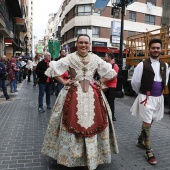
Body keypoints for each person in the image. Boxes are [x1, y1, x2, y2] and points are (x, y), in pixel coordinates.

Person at [41, 34, 119, 170]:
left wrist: (100, 81)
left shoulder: (95, 58)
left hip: (93, 94)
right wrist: (64, 81)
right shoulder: (70, 58)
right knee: (70, 120)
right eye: (81, 42)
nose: (83, 45)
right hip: (72, 92)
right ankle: (70, 156)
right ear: (76, 44)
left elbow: (111, 72)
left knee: (95, 121)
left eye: (86, 43)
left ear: (90, 44)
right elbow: (53, 70)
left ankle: (92, 155)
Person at [130, 39, 169, 165]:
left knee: (150, 121)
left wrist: (159, 93)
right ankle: (148, 150)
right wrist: (142, 93)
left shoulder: (165, 65)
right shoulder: (142, 65)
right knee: (147, 123)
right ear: (149, 49)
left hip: (158, 98)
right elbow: (135, 82)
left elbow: (165, 81)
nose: (156, 50)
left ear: (161, 49)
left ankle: (140, 140)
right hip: (146, 98)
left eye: (158, 48)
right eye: (153, 48)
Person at [104, 52, 119, 121]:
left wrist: (105, 79)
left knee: (111, 102)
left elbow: (114, 76)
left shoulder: (115, 66)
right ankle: (106, 115)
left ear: (109, 57)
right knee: (106, 101)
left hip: (111, 87)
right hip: (106, 86)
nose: (104, 58)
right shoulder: (107, 65)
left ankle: (112, 116)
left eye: (105, 56)